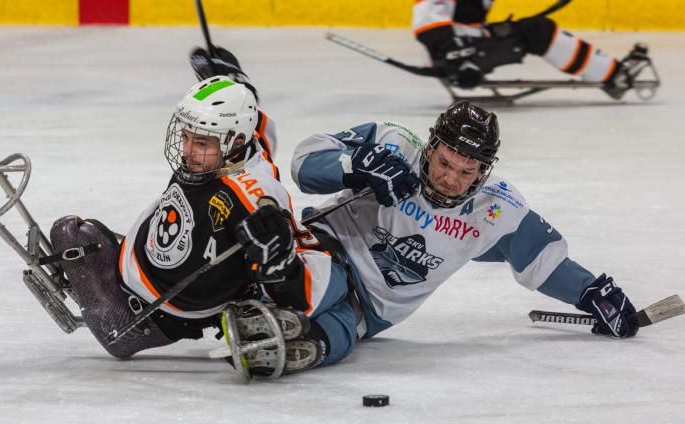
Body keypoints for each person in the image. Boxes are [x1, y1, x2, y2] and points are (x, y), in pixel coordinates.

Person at [48, 51, 353, 377]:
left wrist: (277, 266)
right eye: (186, 137)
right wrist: (235, 83)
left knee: (72, 237)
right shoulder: (243, 144)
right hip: (143, 258)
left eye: (203, 143)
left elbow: (297, 292)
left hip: (165, 313)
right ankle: (127, 270)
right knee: (77, 236)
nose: (188, 152)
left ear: (234, 143)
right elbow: (261, 128)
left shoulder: (256, 200)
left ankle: (131, 329)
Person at [280, 100, 638, 371]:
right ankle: (275, 303)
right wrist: (355, 166)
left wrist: (591, 293)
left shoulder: (496, 209)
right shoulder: (394, 144)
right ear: (431, 147)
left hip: (367, 312)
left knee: (339, 335)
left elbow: (542, 258)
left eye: (467, 172)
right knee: (329, 282)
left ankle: (276, 343)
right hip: (324, 250)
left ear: (484, 170)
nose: (451, 179)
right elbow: (304, 162)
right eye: (444, 163)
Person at [412, 0, 654, 99]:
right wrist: (462, 63)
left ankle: (610, 72)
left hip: (469, 46)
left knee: (529, 29)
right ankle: (615, 76)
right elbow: (427, 23)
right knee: (537, 31)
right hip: (459, 55)